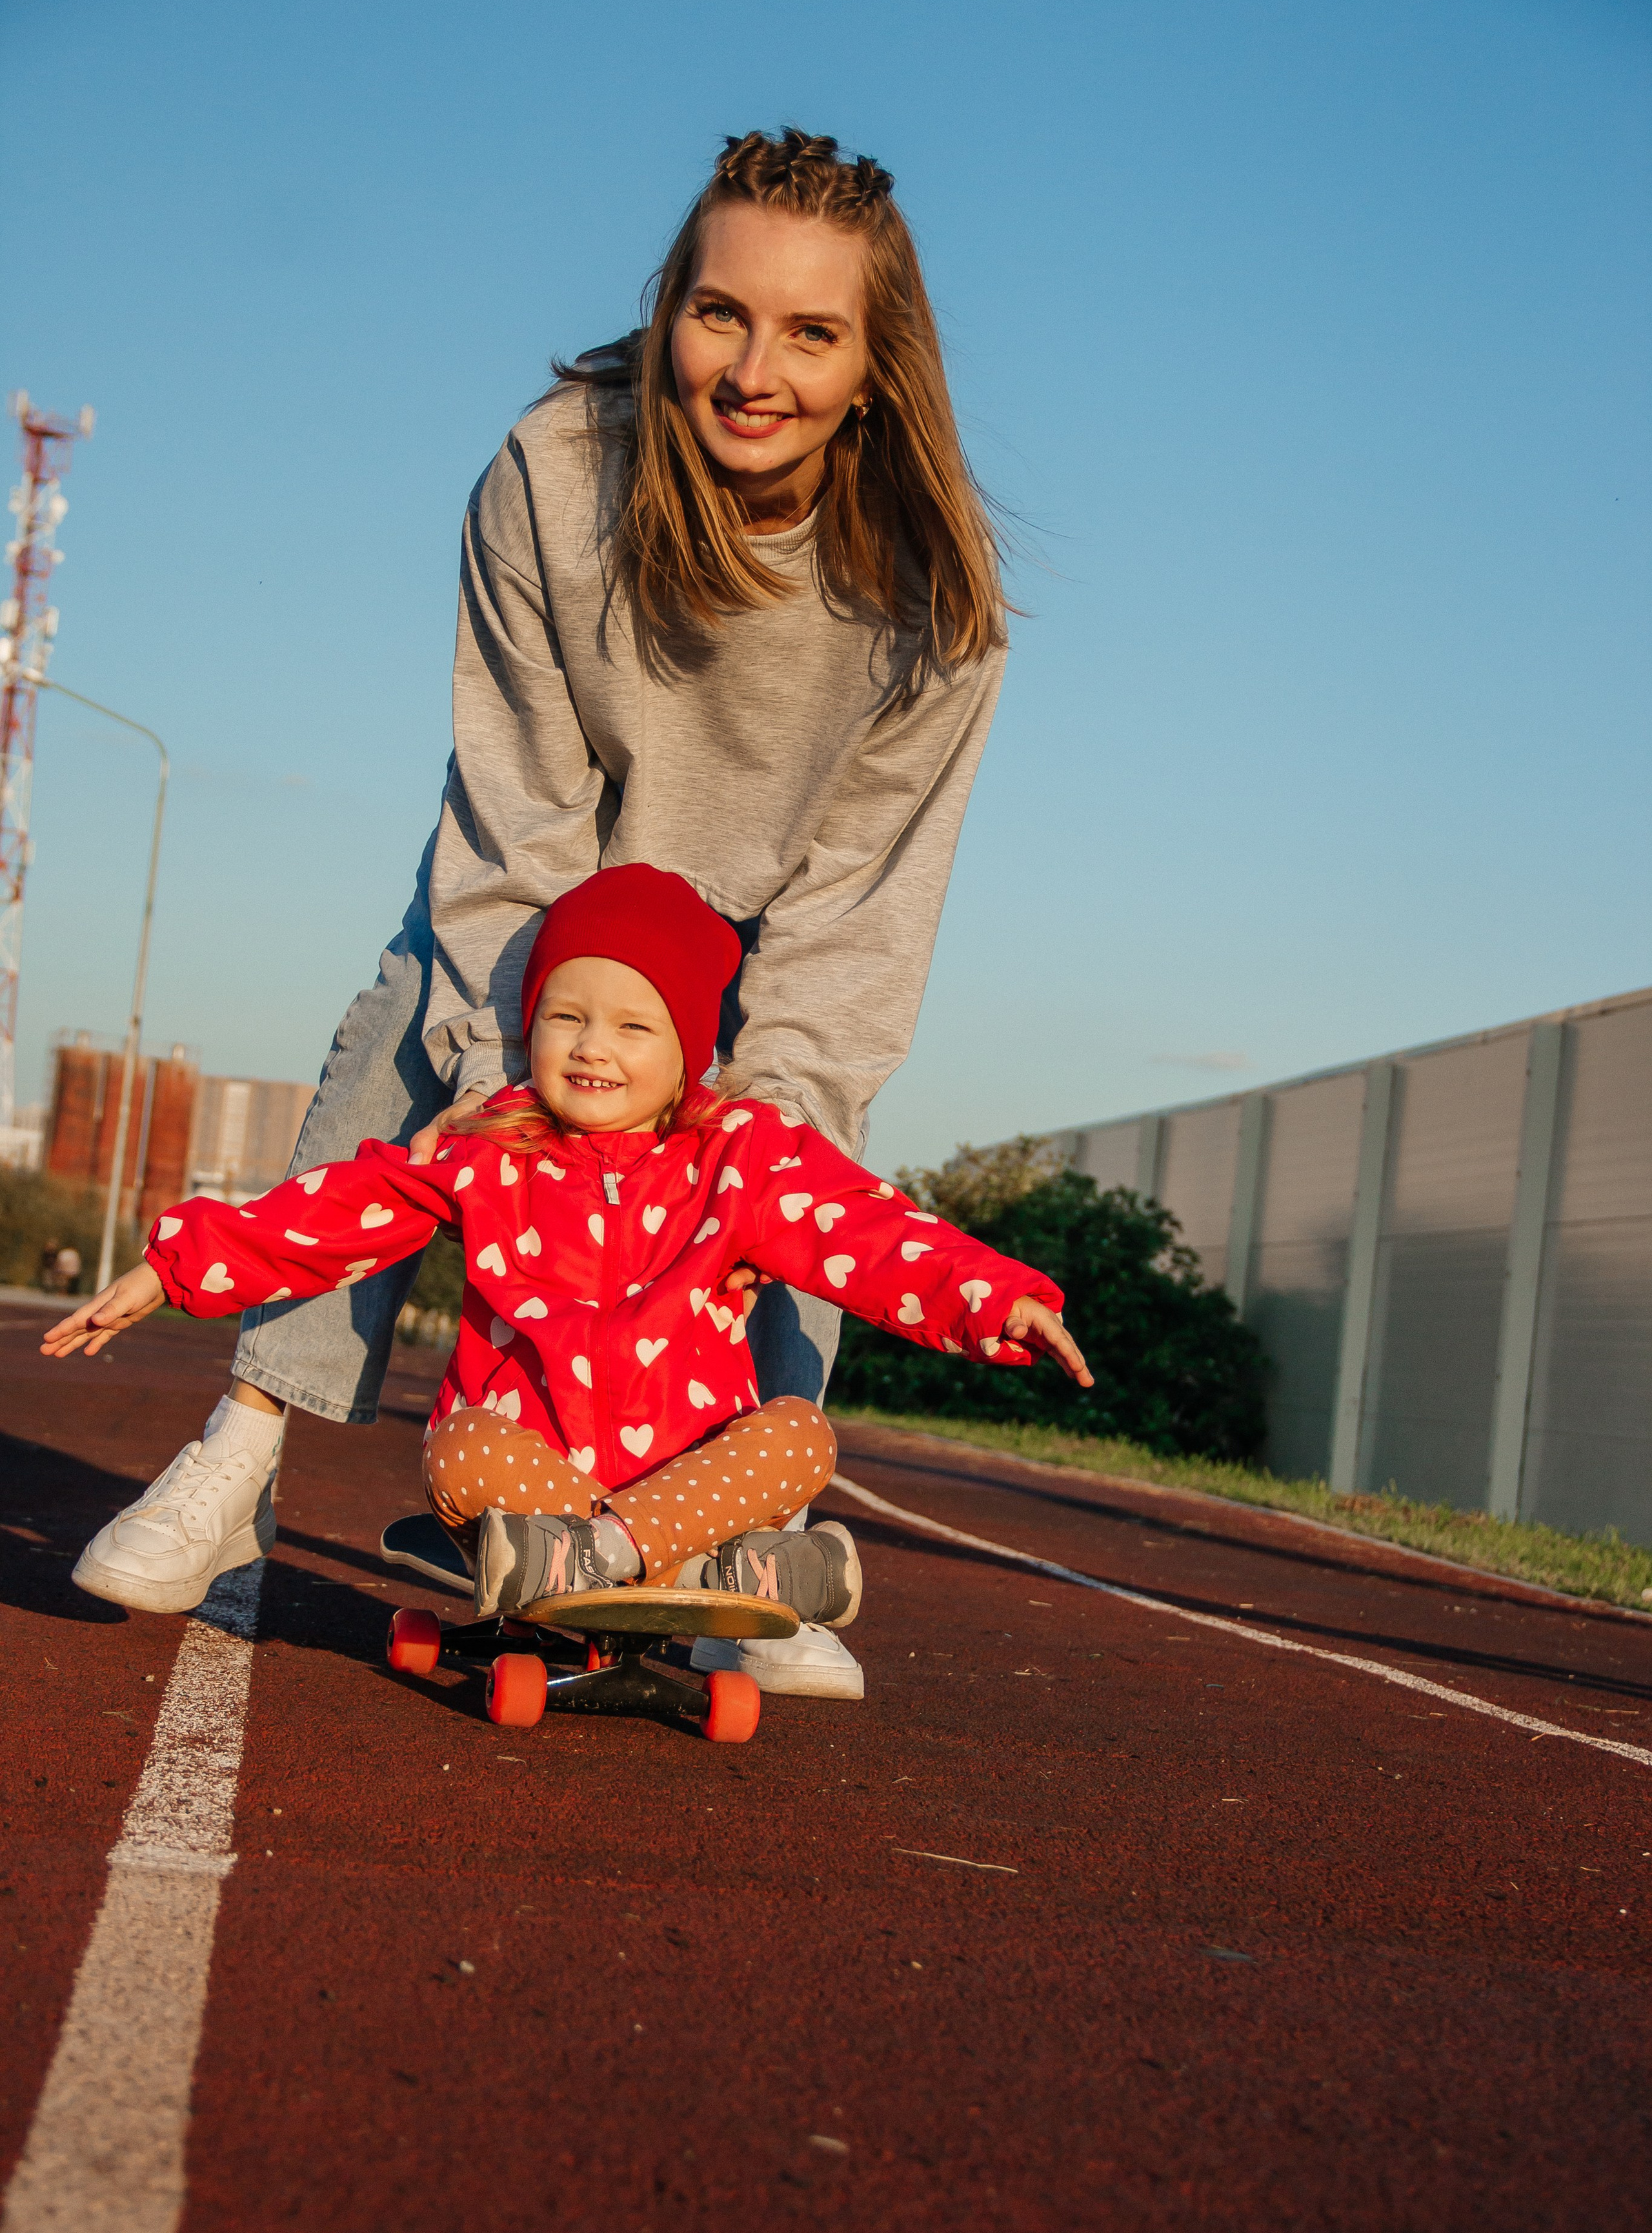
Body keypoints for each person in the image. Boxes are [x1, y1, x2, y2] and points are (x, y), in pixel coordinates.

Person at [67, 127, 1013, 1700]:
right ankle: (240, 1455)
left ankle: (727, 1543)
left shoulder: (932, 606)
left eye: (810, 331)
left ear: (876, 364)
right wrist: (502, 1071)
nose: (752, 369)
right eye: (719, 313)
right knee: (403, 1033)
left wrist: (749, 1129)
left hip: (763, 938)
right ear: (667, 308)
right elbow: (513, 816)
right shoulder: (557, 473)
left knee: (787, 1164)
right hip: (557, 893)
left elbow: (856, 921)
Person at [45, 868, 1092, 1703]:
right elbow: (333, 1213)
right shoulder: (493, 1148)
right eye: (565, 1016)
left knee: (800, 1437)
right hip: (536, 1485)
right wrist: (171, 1265)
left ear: (689, 1051)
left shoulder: (742, 1161)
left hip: (678, 1490)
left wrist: (1002, 1302)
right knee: (458, 1447)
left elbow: (875, 1233)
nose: (593, 1046)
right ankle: (696, 1578)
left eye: (634, 1026)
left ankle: (611, 1561)